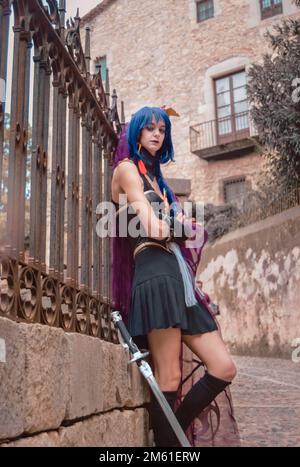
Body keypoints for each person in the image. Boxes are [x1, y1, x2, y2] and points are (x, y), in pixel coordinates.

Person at [111, 106, 237, 447]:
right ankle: (169, 447)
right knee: (170, 377)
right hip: (154, 276)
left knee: (223, 367)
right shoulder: (126, 170)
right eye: (149, 128)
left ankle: (167, 432)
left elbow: (181, 232)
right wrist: (179, 226)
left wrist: (177, 227)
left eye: (162, 130)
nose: (156, 134)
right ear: (136, 132)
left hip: (179, 281)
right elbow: (153, 227)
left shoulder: (160, 182)